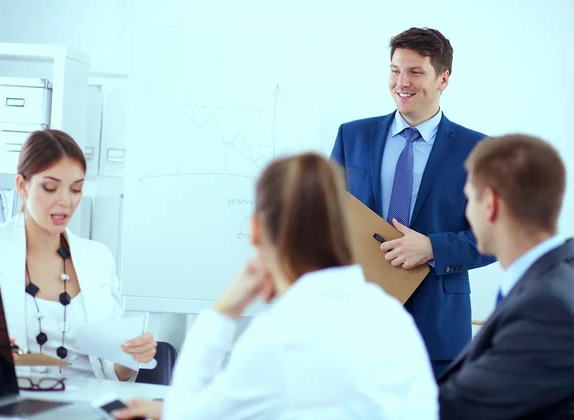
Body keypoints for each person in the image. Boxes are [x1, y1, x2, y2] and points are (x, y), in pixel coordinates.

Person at [113, 153, 438, 419]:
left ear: (255, 229)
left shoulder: (279, 338)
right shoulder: (391, 317)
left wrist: (223, 312)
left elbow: (186, 416)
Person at [330, 27, 495, 376]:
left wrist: (433, 248)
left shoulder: (479, 151)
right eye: (395, 70)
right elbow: (326, 219)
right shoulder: (352, 136)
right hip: (356, 321)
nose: (401, 82)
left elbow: (496, 240)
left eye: (415, 72)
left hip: (437, 328)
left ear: (443, 79)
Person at [0, 129, 157, 381]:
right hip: (10, 406)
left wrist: (131, 357)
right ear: (21, 185)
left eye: (75, 189)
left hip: (89, 407)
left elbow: (110, 367)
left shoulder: (97, 258)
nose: (66, 202)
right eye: (50, 188)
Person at [438, 134, 574, 419]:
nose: (467, 211)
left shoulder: (547, 309)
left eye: (468, 198)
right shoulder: (555, 276)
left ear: (489, 203)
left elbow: (458, 409)